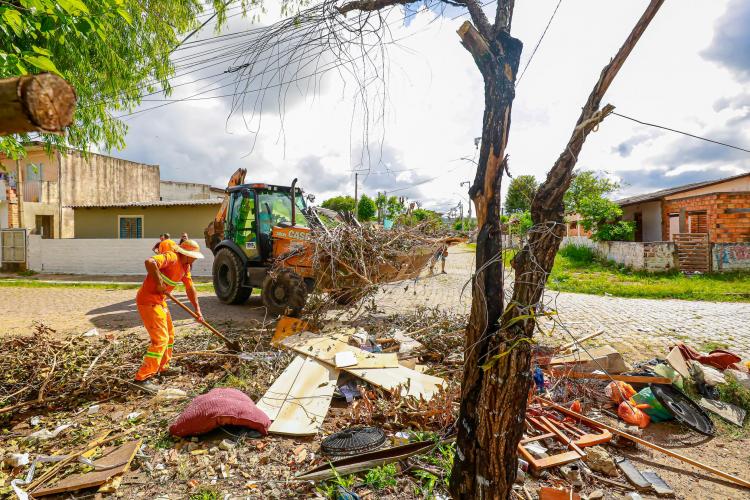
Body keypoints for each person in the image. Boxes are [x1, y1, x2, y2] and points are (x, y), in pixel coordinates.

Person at [134, 239, 205, 393]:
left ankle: (162, 367)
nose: (194, 259)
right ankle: (143, 378)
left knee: (170, 335)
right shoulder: (172, 257)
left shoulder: (186, 267)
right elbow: (150, 262)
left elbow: (190, 288)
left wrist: (197, 310)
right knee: (160, 339)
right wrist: (159, 282)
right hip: (148, 302)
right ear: (185, 254)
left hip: (160, 302)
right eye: (193, 256)